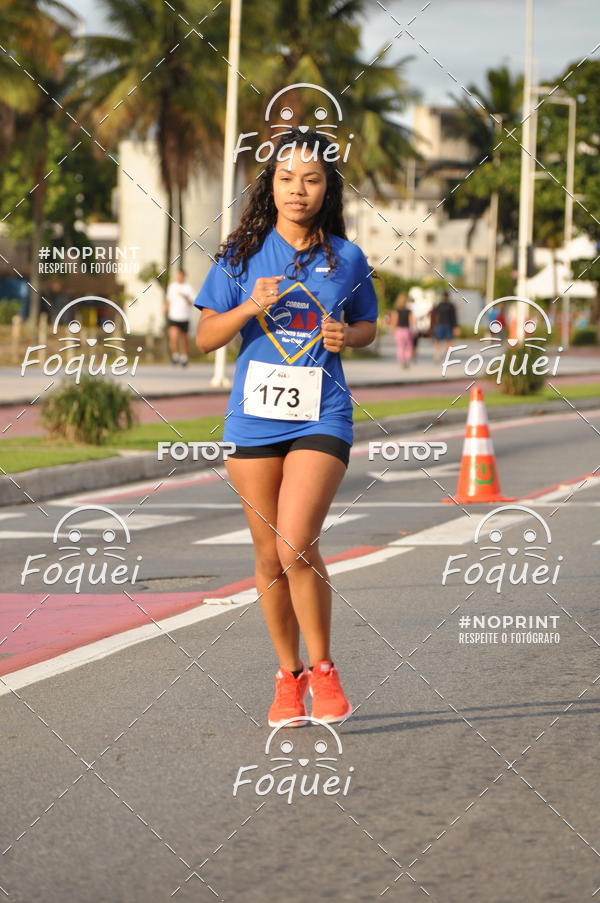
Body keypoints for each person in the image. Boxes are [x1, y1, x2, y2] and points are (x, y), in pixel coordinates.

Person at [194, 128, 378, 728]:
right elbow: (204, 339)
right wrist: (251, 306)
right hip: (254, 417)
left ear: (328, 188)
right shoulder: (240, 257)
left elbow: (367, 326)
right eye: (286, 178)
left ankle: (324, 670)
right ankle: (287, 676)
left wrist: (345, 336)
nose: (298, 190)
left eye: (312, 179)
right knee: (268, 554)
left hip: (322, 414)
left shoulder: (345, 259)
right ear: (269, 187)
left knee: (296, 540)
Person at [164, 269, 195, 365]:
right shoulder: (172, 287)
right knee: (173, 337)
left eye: (180, 275)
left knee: (184, 339)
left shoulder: (188, 288)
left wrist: (185, 296)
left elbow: (192, 302)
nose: (178, 277)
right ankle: (175, 356)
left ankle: (184, 357)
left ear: (184, 276)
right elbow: (168, 300)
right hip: (173, 316)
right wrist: (165, 307)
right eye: (177, 275)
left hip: (185, 316)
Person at [389, 292, 414, 368]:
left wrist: (392, 330)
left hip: (398, 330)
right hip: (406, 330)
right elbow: (412, 322)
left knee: (400, 346)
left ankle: (401, 361)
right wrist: (413, 330)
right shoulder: (409, 311)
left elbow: (394, 321)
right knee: (408, 346)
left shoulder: (396, 311)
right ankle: (407, 359)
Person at [432, 290, 458, 362]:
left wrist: (455, 327)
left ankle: (447, 354)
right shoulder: (440, 305)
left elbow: (454, 317)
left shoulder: (450, 305)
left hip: (448, 325)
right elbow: (435, 315)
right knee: (438, 340)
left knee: (449, 340)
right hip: (440, 325)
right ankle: (437, 354)